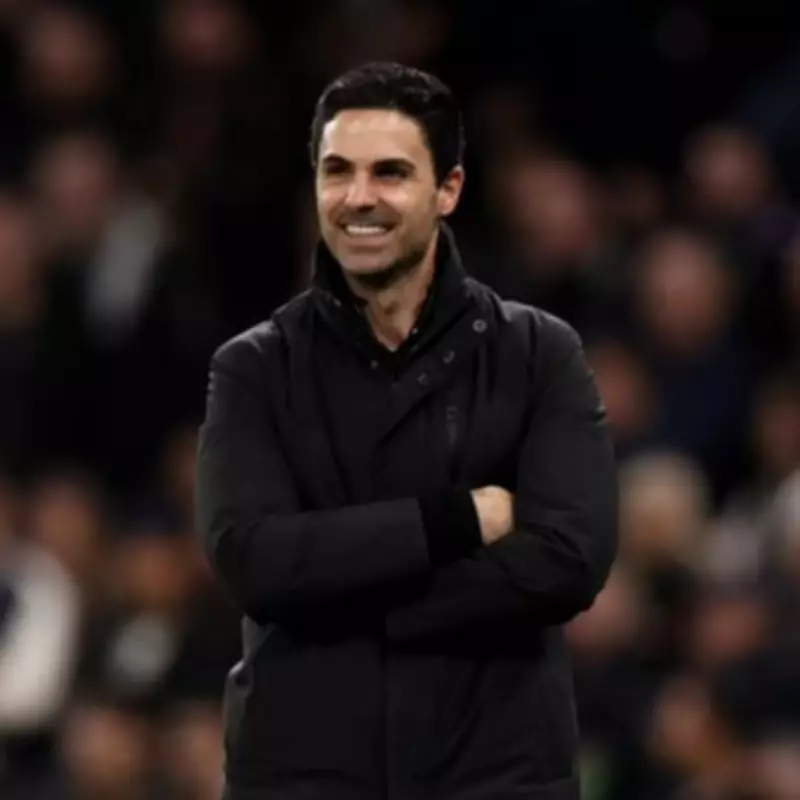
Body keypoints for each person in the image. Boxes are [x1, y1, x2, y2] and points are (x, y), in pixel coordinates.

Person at [195, 61, 618, 800]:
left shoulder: (538, 353)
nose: (358, 197)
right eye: (337, 171)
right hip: (303, 778)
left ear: (447, 189)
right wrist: (457, 521)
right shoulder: (253, 368)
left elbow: (568, 561)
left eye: (389, 172)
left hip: (496, 776)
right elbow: (252, 562)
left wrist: (339, 595)